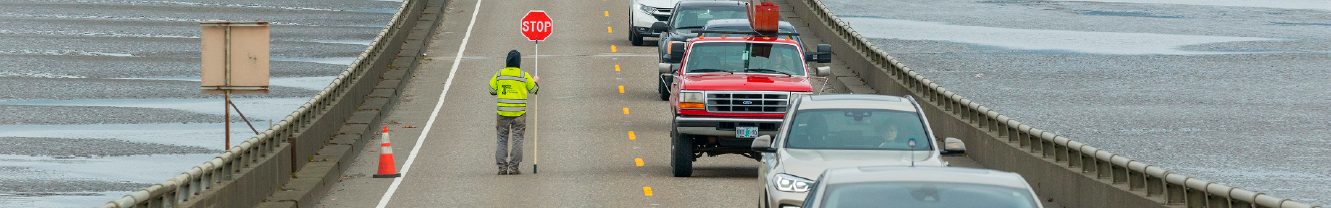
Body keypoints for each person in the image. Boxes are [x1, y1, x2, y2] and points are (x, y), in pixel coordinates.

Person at [490, 50, 539, 175]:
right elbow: (534, 90)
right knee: (517, 139)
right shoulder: (523, 75)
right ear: (519, 62)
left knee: (501, 139)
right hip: (519, 113)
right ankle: (513, 168)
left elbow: (491, 90)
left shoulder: (500, 74)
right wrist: (535, 81)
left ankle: (501, 167)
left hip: (502, 113)